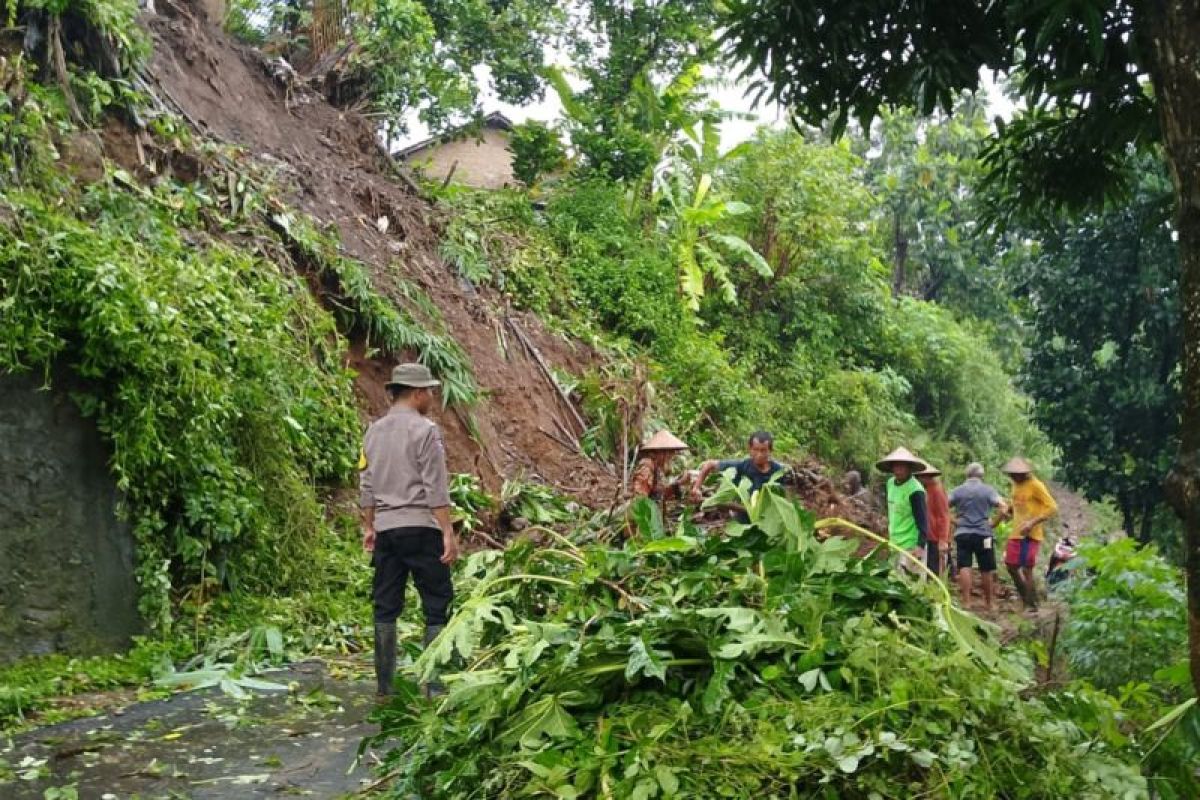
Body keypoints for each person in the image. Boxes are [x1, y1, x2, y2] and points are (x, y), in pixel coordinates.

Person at [359, 363, 460, 699]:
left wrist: (369, 525)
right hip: (421, 527)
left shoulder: (372, 432)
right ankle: (434, 685)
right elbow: (435, 485)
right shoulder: (426, 431)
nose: (431, 396)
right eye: (429, 391)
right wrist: (446, 530)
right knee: (437, 603)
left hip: (387, 530)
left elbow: (367, 483)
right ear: (417, 394)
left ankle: (385, 688)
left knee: (385, 606)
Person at [999, 457, 1058, 612]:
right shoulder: (1015, 485)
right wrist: (1009, 510)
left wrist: (1032, 522)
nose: (1012, 477)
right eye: (1010, 474)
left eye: (1015, 474)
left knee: (1027, 568)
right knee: (1011, 565)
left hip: (1030, 534)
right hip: (1016, 532)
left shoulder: (1036, 485)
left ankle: (1030, 604)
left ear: (1024, 473)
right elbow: (1017, 503)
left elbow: (1052, 507)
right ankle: (1027, 596)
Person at [948, 463, 1007, 611]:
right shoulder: (988, 490)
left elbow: (943, 507)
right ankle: (989, 603)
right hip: (984, 534)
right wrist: (993, 523)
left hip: (963, 534)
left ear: (966, 474)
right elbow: (1004, 507)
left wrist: (954, 521)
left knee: (964, 566)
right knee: (986, 568)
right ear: (982, 475)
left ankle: (966, 602)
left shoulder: (957, 491)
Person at [690, 431, 788, 520]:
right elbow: (709, 464)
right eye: (756, 450)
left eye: (763, 450)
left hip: (768, 519)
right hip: (743, 519)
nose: (759, 454)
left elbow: (781, 498)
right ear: (750, 449)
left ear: (770, 451)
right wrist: (696, 488)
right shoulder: (742, 466)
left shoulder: (777, 471)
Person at [875, 447, 929, 571]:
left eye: (902, 466)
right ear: (891, 467)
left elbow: (923, 521)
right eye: (896, 466)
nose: (898, 470)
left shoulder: (916, 490)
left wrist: (920, 546)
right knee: (895, 582)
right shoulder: (890, 483)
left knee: (911, 584)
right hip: (894, 543)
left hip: (911, 545)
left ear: (909, 468)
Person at [630, 429, 690, 503]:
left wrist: (678, 483)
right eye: (670, 453)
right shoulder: (647, 467)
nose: (671, 457)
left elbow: (661, 494)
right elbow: (640, 498)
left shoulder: (656, 468)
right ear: (662, 453)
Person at [917, 464, 951, 577]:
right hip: (928, 536)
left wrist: (943, 539)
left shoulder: (937, 490)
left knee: (934, 571)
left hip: (935, 537)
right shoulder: (925, 489)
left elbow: (943, 515)